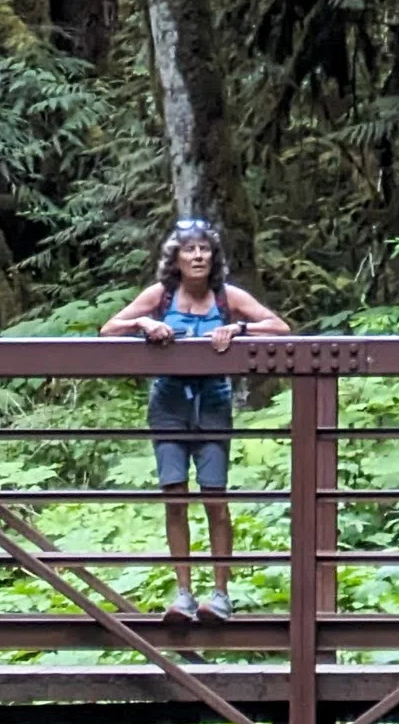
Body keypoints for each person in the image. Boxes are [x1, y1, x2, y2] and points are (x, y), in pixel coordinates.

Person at [101, 218, 288, 623]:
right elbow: (108, 329)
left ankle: (220, 596)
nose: (198, 256)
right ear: (177, 258)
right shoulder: (160, 295)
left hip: (213, 404)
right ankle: (183, 594)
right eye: (189, 249)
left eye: (204, 249)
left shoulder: (227, 297)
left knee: (216, 501)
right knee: (175, 500)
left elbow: (279, 326)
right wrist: (144, 323)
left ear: (213, 256)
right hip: (168, 404)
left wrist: (237, 329)